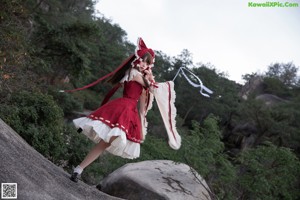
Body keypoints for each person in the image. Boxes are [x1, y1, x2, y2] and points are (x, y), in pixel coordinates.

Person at [69, 38, 157, 182]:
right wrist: (150, 79)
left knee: (105, 143)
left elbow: (142, 107)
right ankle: (78, 169)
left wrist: (141, 126)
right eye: (143, 60)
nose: (145, 64)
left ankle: (78, 169)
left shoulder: (142, 79)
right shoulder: (133, 72)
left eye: (148, 63)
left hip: (130, 113)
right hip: (122, 107)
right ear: (137, 59)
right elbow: (150, 86)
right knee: (106, 141)